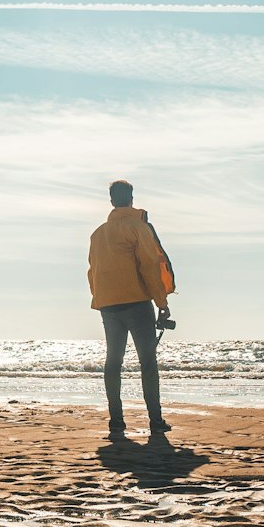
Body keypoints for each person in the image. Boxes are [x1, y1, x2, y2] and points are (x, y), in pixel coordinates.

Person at [88, 179, 176, 439]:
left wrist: (100, 298)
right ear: (131, 198)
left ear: (112, 200)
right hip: (137, 303)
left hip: (109, 305)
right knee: (147, 362)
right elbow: (150, 265)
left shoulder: (97, 234)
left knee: (113, 361)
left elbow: (92, 271)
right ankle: (155, 421)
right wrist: (162, 303)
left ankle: (116, 422)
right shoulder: (137, 227)